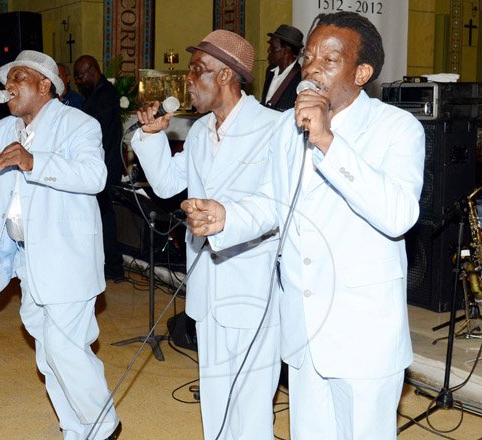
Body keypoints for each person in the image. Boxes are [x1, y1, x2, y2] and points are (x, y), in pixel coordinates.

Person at [182, 12, 425, 440]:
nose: (311, 68)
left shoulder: (396, 128)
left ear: (362, 72)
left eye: (328, 60)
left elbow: (398, 214)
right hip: (302, 329)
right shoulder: (286, 130)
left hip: (362, 331)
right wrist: (228, 216)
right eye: (309, 56)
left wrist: (328, 141)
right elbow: (274, 203)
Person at [0, 50, 121, 440]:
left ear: (46, 85)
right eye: (7, 79)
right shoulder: (6, 126)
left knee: (66, 350)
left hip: (66, 258)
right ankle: (75, 429)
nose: (9, 86)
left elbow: (96, 175)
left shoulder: (78, 124)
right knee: (49, 355)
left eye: (19, 78)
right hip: (26, 259)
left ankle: (104, 427)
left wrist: (34, 162)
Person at [131, 30, 283, 439]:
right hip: (206, 286)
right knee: (215, 395)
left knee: (250, 402)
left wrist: (226, 218)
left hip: (252, 284)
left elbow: (281, 206)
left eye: (197, 70)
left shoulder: (274, 128)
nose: (189, 80)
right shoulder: (199, 132)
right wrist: (150, 137)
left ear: (227, 77)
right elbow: (165, 185)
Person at [74, 55, 125, 281]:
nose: (79, 81)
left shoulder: (106, 95)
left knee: (104, 217)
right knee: (99, 216)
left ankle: (113, 266)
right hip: (97, 165)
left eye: (81, 76)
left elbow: (95, 130)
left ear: (93, 70)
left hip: (104, 166)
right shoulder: (96, 93)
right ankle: (106, 264)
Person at [261, 24, 304, 111]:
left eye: (273, 47)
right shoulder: (270, 71)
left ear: (287, 50)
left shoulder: (301, 79)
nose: (268, 50)